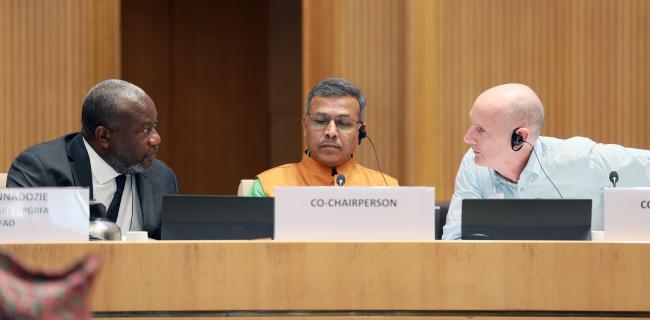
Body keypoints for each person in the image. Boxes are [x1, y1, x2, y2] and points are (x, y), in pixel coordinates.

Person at [442, 83, 650, 240]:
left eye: (481, 129)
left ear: (519, 138)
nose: (468, 137)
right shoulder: (473, 164)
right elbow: (455, 241)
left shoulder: (584, 160)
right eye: (472, 124)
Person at [7, 79, 178, 239]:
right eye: (144, 129)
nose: (156, 139)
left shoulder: (161, 177)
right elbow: (21, 246)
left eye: (154, 126)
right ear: (103, 136)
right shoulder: (41, 169)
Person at [249, 77, 398, 197]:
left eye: (344, 123)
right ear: (305, 125)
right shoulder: (268, 187)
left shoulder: (386, 189)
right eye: (321, 121)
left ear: (361, 131)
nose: (331, 132)